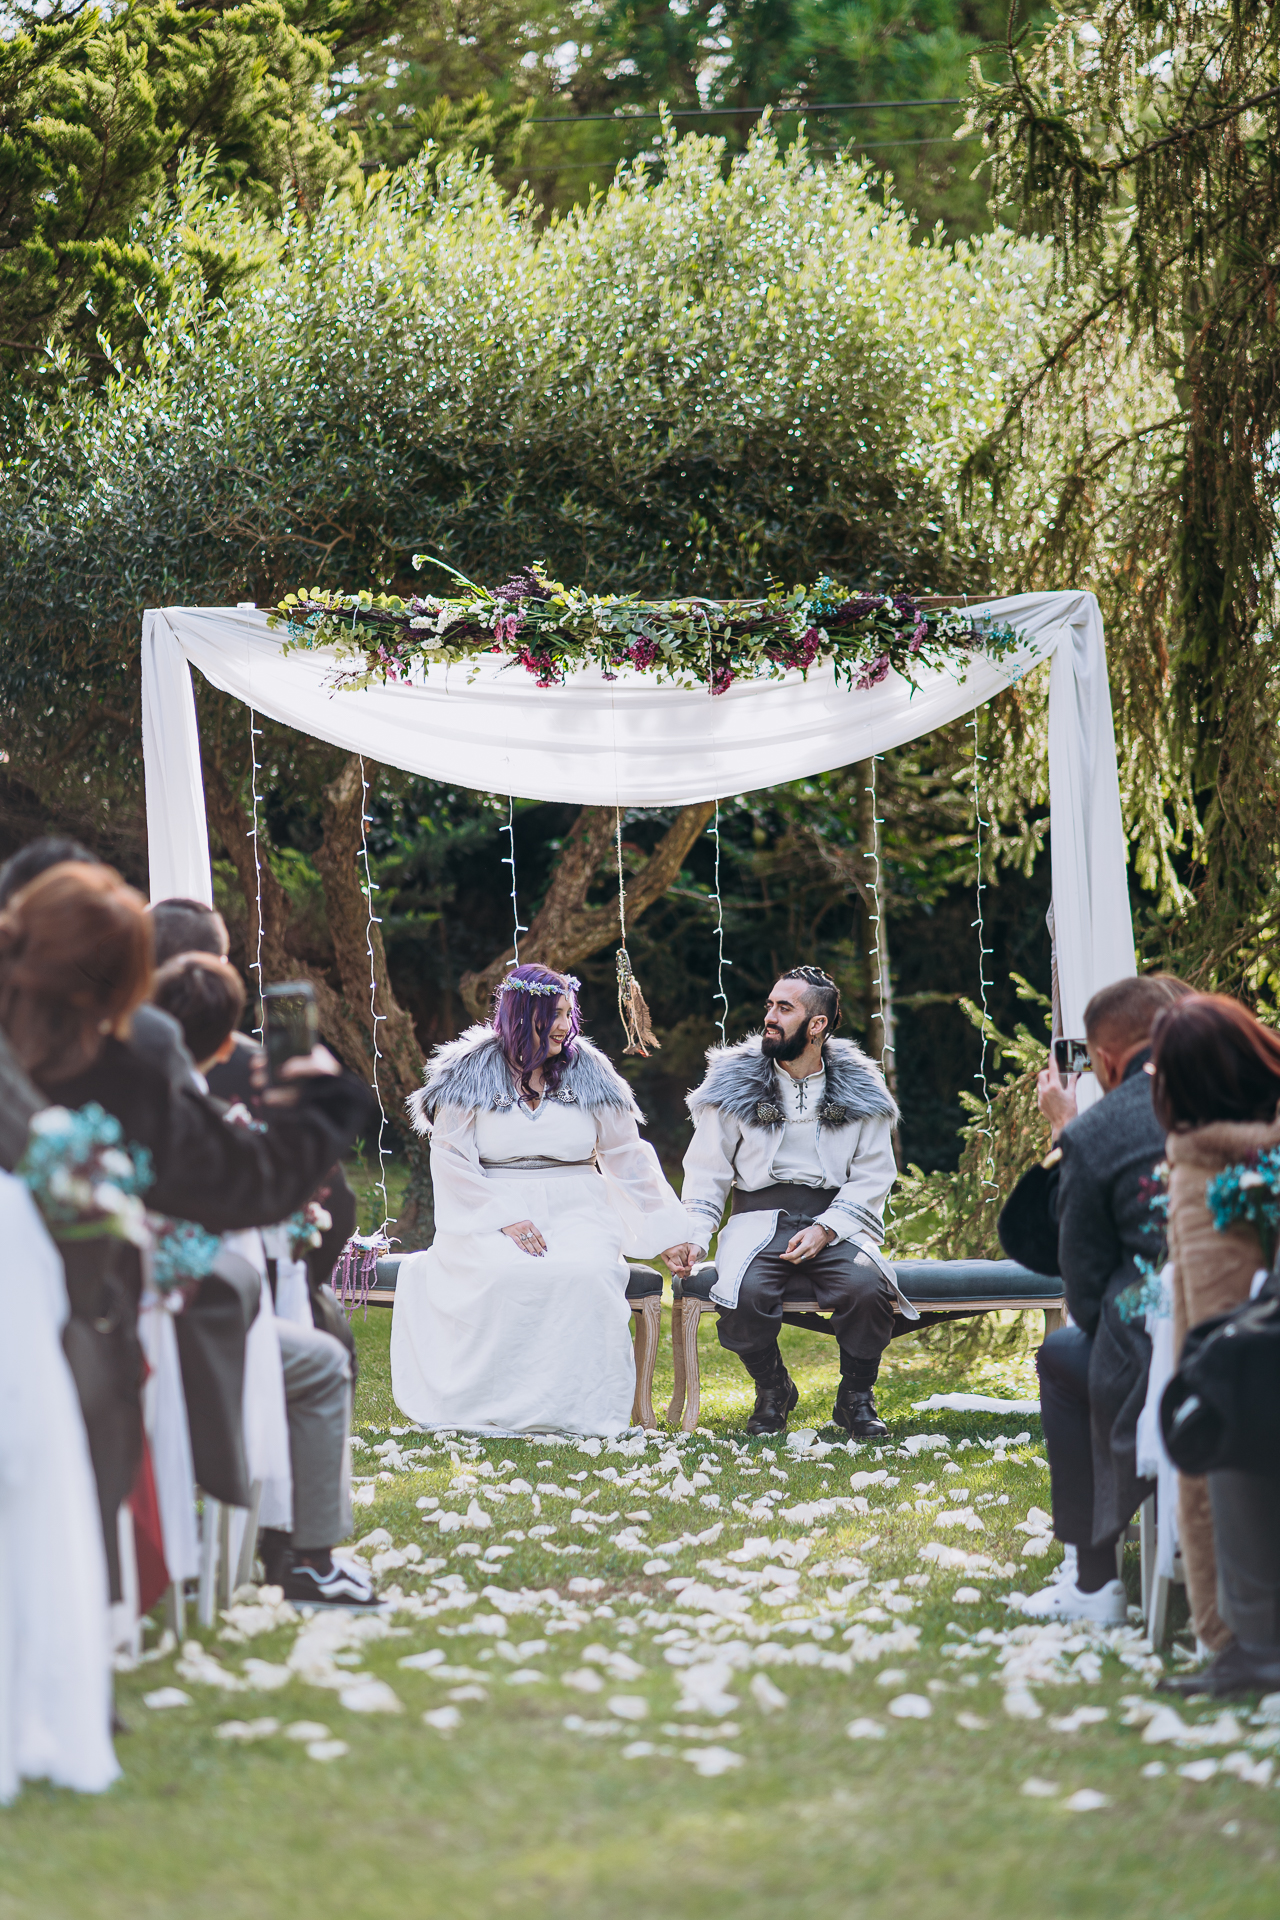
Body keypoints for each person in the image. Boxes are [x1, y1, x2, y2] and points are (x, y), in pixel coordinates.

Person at [0, 861, 378, 1594]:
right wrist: (321, 1102)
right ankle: (296, 1555)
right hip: (82, 1320)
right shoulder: (133, 1055)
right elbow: (245, 1185)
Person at [151, 949, 373, 1607]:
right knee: (322, 1356)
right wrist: (324, 1099)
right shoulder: (200, 1100)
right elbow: (301, 1201)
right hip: (183, 1323)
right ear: (224, 1039)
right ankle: (304, 1555)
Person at [391, 964, 697, 1435]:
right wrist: (504, 1217)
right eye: (553, 1014)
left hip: (578, 1207)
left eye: (567, 1014)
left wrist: (665, 1231)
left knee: (587, 1274)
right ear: (521, 1014)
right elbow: (450, 1157)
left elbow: (625, 1154)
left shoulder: (590, 1071)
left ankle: (577, 1410)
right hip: (490, 1210)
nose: (563, 1026)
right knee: (502, 1274)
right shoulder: (470, 1073)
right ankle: (498, 1403)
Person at [1017, 973, 1191, 1624]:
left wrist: (1068, 1133)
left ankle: (1093, 1583)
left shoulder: (1098, 1131)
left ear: (1107, 1061)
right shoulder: (1248, 1091)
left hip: (1165, 1337)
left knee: (1067, 1354)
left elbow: (1084, 1289)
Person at [680, 967, 900, 1438]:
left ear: (816, 1025)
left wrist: (828, 1227)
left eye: (784, 1008)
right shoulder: (733, 1085)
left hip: (837, 1223)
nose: (770, 1017)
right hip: (757, 1220)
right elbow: (707, 1170)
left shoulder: (861, 1089)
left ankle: (855, 1398)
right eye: (769, 1006)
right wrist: (696, 1236)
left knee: (867, 1290)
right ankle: (774, 1388)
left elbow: (875, 1173)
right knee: (744, 1293)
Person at [1147, 995, 1280, 1695]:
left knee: (1220, 1445)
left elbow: (1217, 1320)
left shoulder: (1204, 1169)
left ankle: (1244, 1640)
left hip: (1254, 1365)